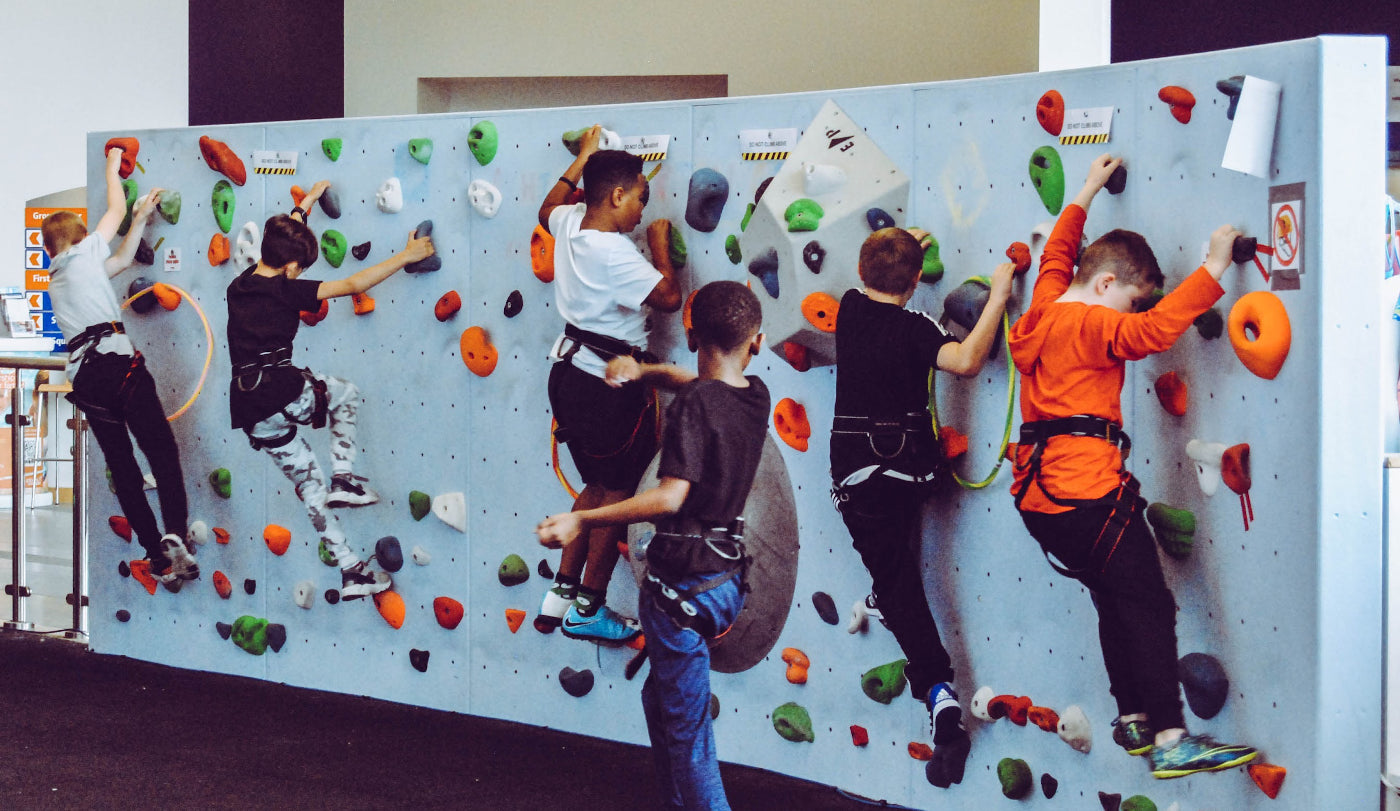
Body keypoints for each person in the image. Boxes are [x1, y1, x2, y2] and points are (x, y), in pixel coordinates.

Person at [1009, 153, 1257, 778]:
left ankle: (1132, 718)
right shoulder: (1093, 323)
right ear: (1104, 287)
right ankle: (1173, 737)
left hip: (1040, 502)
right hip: (1087, 495)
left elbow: (1055, 257)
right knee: (1147, 605)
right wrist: (1214, 267)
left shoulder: (1042, 309)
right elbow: (1152, 332)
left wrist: (1087, 188)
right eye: (1127, 298)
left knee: (1112, 601)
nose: (1128, 311)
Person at [538, 280, 767, 810]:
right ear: (756, 342)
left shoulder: (693, 409)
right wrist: (645, 371)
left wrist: (585, 520)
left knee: (690, 738)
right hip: (726, 582)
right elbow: (700, 382)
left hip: (682, 588)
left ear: (690, 334)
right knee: (661, 699)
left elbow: (669, 498)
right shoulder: (754, 396)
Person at [829, 227, 1014, 788]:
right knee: (897, 575)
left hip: (859, 475)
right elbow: (964, 361)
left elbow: (879, 274)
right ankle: (919, 657)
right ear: (915, 282)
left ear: (862, 275)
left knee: (897, 579)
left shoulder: (849, 308)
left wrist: (898, 245)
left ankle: (941, 703)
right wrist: (1001, 297)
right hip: (912, 473)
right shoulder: (915, 328)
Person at [225, 181, 433, 599]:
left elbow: (280, 242)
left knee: (307, 485)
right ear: (289, 268)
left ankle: (352, 569)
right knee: (345, 393)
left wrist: (303, 208)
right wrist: (407, 255)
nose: (300, 273)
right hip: (281, 388)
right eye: (299, 267)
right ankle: (345, 478)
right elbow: (354, 285)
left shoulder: (242, 282)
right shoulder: (287, 288)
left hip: (249, 406)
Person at [534, 125, 682, 644]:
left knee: (596, 487)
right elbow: (668, 298)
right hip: (606, 388)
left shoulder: (572, 220)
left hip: (569, 376)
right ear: (617, 195)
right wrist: (660, 246)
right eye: (641, 198)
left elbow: (546, 205)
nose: (643, 210)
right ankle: (588, 607)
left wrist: (584, 158)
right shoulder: (613, 252)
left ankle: (560, 593)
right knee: (618, 494)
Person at [43, 146, 197, 587]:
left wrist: (143, 219)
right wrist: (114, 166)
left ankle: (159, 558)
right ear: (80, 237)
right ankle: (175, 533)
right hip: (116, 364)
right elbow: (114, 210)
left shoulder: (63, 275)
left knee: (124, 467)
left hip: (87, 381)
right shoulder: (83, 252)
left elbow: (123, 260)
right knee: (162, 453)